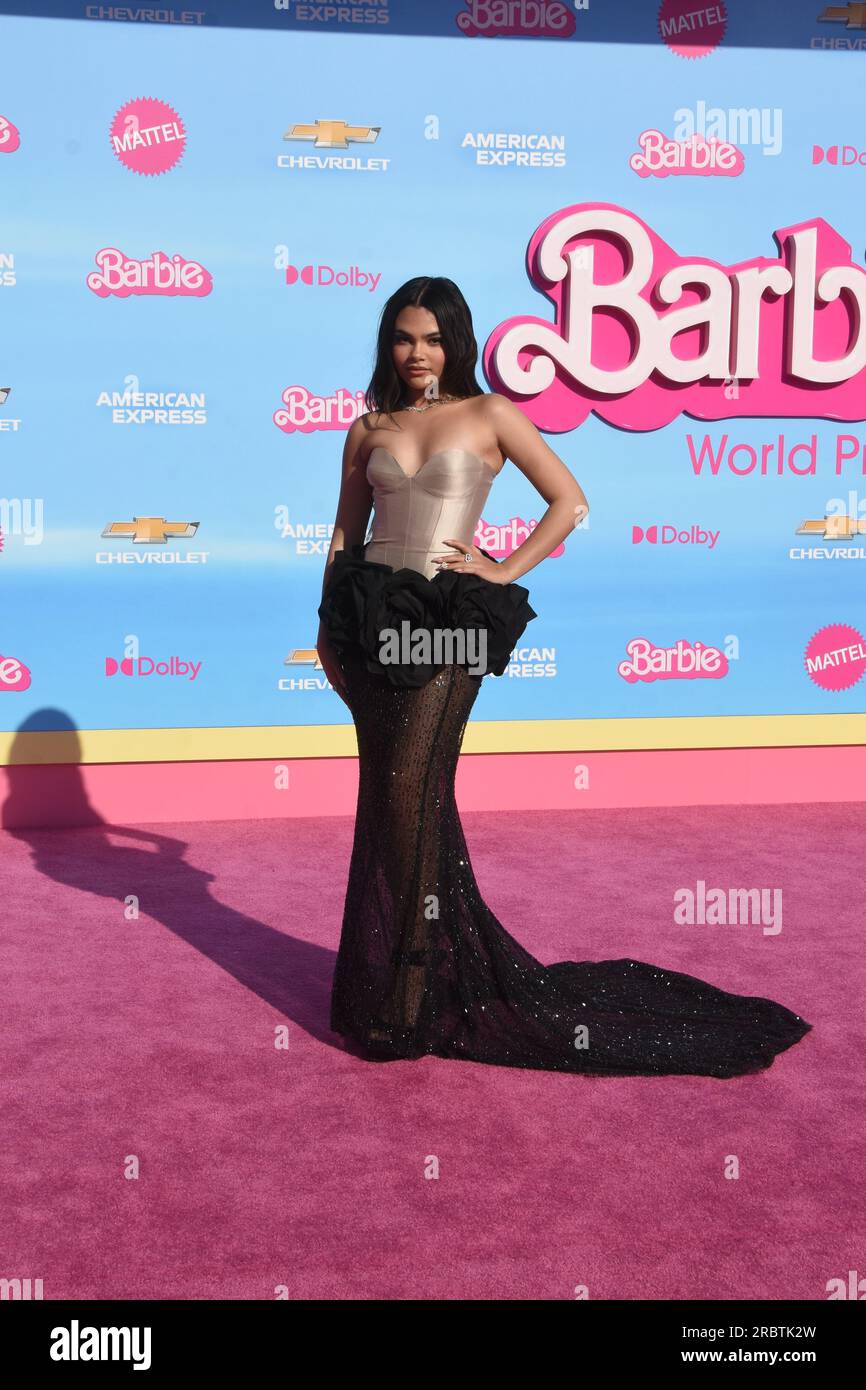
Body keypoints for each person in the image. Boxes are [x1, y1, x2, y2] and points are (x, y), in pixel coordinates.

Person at [316, 276, 812, 1077]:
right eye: (405, 338)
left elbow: (570, 501)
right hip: (369, 622)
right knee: (392, 800)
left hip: (447, 628)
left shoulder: (490, 415)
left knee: (409, 801)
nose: (418, 354)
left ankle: (407, 999)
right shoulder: (367, 427)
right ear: (388, 343)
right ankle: (408, 987)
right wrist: (325, 628)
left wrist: (500, 569)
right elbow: (344, 535)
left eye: (433, 339)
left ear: (457, 343)